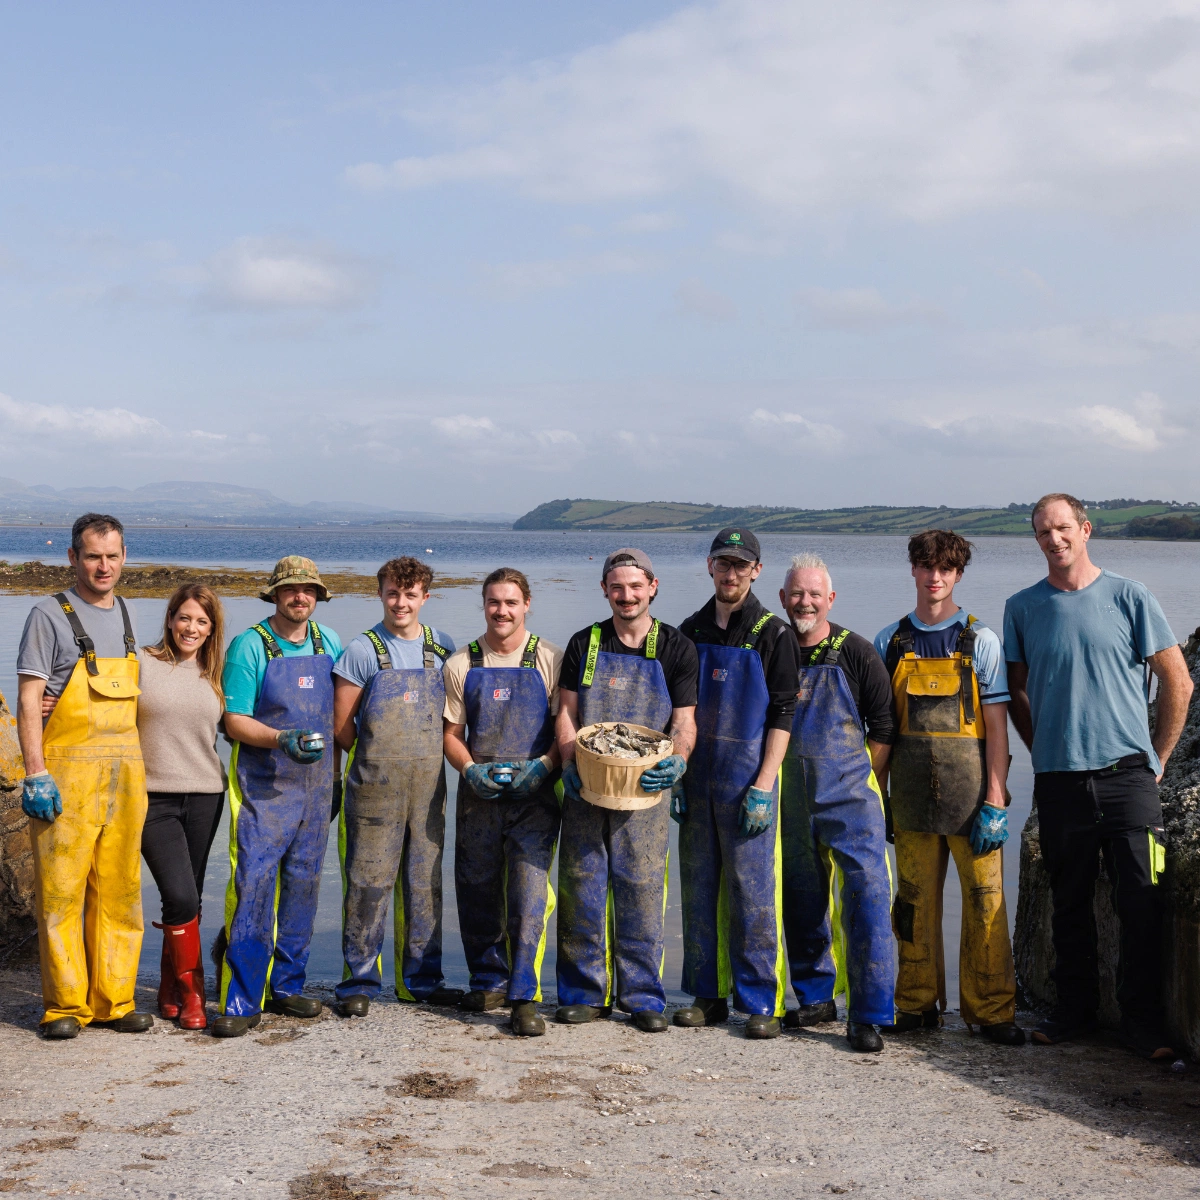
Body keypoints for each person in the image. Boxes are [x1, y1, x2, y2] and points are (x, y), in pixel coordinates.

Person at [1005, 493, 1193, 1059]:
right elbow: (1015, 691)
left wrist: (1157, 758)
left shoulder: (1130, 596)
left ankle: (1143, 1025)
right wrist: (1044, 749)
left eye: (1063, 528)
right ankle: (1073, 1013)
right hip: (1060, 781)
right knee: (1068, 903)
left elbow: (1177, 681)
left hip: (1129, 780)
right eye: (1043, 532)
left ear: (1085, 530)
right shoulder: (1022, 607)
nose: (1054, 539)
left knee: (1143, 900)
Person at [875, 530, 1022, 1046]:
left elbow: (998, 729)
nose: (934, 577)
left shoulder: (980, 640)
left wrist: (997, 801)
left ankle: (992, 1010)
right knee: (912, 903)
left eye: (945, 569)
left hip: (972, 800)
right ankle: (916, 1004)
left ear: (958, 575)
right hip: (911, 800)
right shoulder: (890, 642)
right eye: (925, 567)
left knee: (986, 900)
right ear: (913, 571)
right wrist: (878, 795)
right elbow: (882, 732)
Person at [15, 512, 153, 1038]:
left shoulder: (126, 614)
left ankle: (113, 1001)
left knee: (120, 890)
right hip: (66, 774)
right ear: (72, 557)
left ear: (124, 557)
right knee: (62, 893)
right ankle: (65, 1008)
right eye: (93, 555)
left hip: (124, 773)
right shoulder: (47, 614)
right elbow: (31, 699)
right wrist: (35, 773)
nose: (103, 566)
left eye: (112, 555)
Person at [555, 548, 699, 1034]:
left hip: (645, 793)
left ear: (653, 587)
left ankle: (641, 995)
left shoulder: (676, 647)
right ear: (604, 590)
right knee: (582, 885)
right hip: (587, 788)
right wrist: (569, 761)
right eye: (617, 587)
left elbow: (684, 721)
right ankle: (584, 994)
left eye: (636, 586)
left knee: (641, 888)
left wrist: (678, 761)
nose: (626, 596)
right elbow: (568, 713)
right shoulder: (585, 642)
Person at [677, 528, 801, 1039]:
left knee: (753, 894)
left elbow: (784, 713)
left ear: (756, 571)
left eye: (740, 565)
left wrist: (765, 783)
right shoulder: (689, 631)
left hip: (748, 781)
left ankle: (760, 1001)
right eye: (722, 564)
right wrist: (677, 775)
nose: (731, 573)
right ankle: (707, 997)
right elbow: (676, 711)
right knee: (699, 890)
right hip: (698, 777)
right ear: (709, 567)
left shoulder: (775, 634)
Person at [214, 556, 344, 1038]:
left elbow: (343, 714)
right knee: (252, 886)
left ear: (317, 595)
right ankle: (243, 997)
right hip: (264, 788)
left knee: (305, 886)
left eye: (308, 589)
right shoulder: (250, 646)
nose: (300, 597)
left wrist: (340, 779)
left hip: (316, 789)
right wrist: (281, 739)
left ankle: (287, 986)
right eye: (291, 589)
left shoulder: (329, 642)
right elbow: (235, 721)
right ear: (275, 594)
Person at [332, 556, 460, 1017]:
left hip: (428, 788)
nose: (400, 602)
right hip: (374, 786)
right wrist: (374, 760)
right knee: (368, 882)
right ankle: (358, 980)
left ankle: (423, 980)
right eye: (392, 593)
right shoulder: (363, 650)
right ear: (380, 593)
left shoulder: (442, 647)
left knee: (424, 884)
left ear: (425, 596)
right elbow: (342, 726)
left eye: (410, 594)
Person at [778, 554, 896, 1053]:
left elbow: (886, 725)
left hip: (851, 794)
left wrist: (860, 777)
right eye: (796, 594)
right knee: (802, 902)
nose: (805, 602)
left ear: (830, 599)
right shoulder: (774, 648)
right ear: (783, 599)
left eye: (814, 594)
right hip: (788, 795)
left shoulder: (857, 651)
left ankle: (869, 1013)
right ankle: (815, 997)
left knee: (868, 896)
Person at [442, 568, 563, 1038]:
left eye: (511, 602)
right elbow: (451, 735)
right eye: (494, 602)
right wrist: (470, 770)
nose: (502, 611)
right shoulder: (461, 663)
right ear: (484, 605)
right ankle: (487, 981)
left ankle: (524, 995)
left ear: (527, 604)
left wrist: (545, 767)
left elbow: (563, 732)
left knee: (530, 895)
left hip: (534, 796)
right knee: (476, 891)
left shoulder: (548, 658)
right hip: (479, 796)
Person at [137, 585, 227, 1031]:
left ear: (212, 629)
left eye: (202, 622)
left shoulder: (217, 672)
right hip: (152, 797)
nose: (192, 628)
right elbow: (103, 708)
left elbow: (243, 722)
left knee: (188, 891)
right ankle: (195, 992)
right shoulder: (142, 663)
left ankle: (171, 987)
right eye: (185, 618)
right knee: (180, 894)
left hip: (207, 793)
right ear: (171, 618)